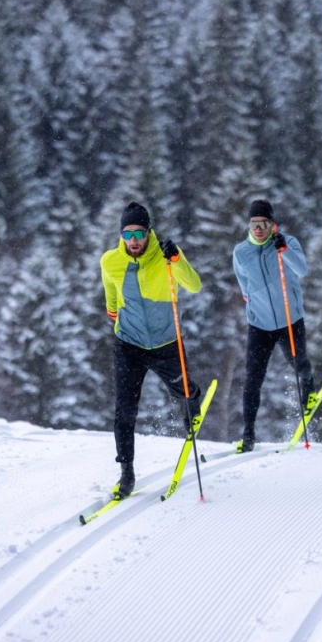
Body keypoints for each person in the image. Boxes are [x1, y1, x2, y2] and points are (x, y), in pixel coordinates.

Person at [100, 201, 203, 498]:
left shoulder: (166, 257)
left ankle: (192, 400)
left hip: (165, 343)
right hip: (128, 345)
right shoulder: (110, 261)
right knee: (124, 411)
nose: (133, 241)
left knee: (182, 390)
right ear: (121, 235)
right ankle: (126, 472)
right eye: (127, 234)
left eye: (138, 233)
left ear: (149, 233)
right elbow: (110, 293)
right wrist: (114, 314)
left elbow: (194, 285)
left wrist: (178, 259)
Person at [232, 199, 315, 452]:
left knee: (298, 363)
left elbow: (302, 270)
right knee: (253, 379)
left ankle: (308, 387)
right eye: (254, 224)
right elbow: (243, 286)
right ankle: (248, 434)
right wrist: (254, 304)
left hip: (290, 319)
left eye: (263, 223)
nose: (258, 229)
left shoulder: (288, 243)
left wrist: (284, 251)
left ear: (272, 224)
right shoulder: (240, 252)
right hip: (259, 325)